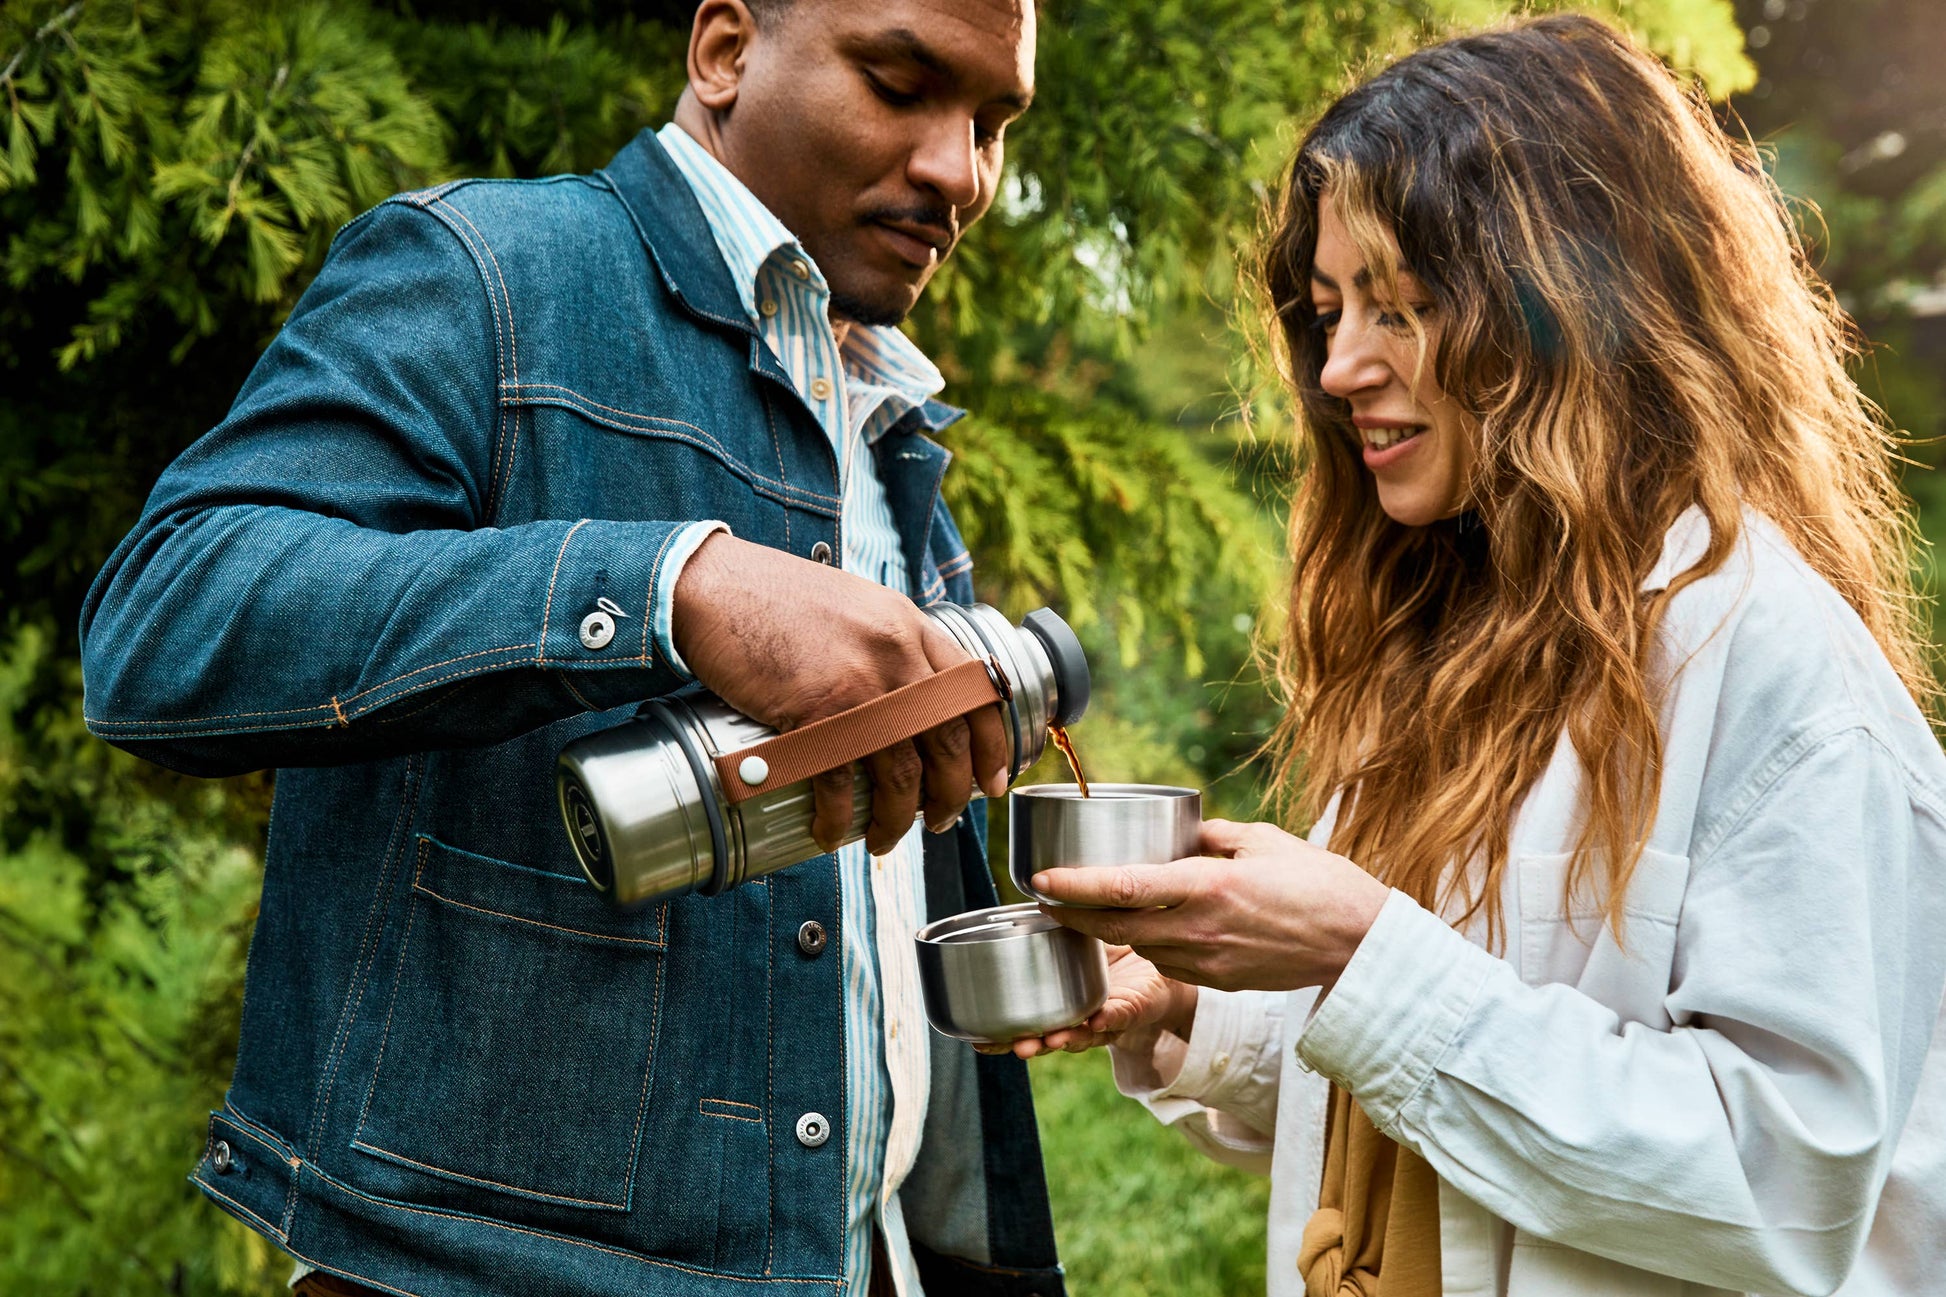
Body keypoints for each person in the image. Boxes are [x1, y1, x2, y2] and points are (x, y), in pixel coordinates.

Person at [77, 2, 1064, 1295]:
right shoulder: (486, 273)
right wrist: (668, 585)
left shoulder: (888, 416)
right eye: (898, 84)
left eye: (991, 124)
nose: (958, 171)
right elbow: (165, 620)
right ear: (723, 53)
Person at [1012, 14, 1946, 1297]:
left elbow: (1780, 1188)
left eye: (1397, 306)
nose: (1337, 366)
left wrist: (1357, 950)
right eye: (1328, 309)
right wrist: (1198, 1010)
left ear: (1570, 304)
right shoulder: (1452, 656)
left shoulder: (1781, 681)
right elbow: (1427, 1108)